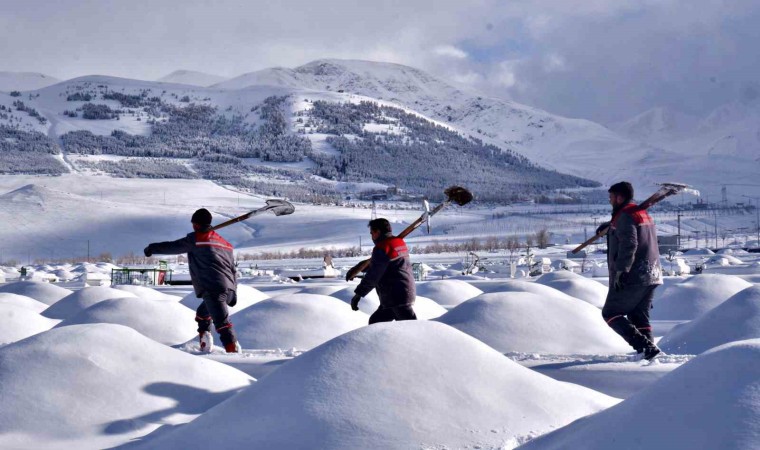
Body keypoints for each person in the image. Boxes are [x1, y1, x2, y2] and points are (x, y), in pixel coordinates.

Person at [144, 208, 241, 353]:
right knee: (203, 314)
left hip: (213, 288)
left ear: (195, 224)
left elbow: (172, 246)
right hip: (229, 288)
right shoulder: (225, 244)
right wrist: (233, 291)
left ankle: (235, 355)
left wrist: (152, 248)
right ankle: (205, 343)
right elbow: (232, 269)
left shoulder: (196, 239)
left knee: (222, 324)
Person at [601, 182, 663, 360]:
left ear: (620, 197)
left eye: (611, 197)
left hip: (633, 275)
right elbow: (632, 232)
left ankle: (645, 348)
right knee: (638, 316)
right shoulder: (639, 213)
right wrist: (611, 228)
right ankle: (651, 354)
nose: (610, 200)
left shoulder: (625, 216)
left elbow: (630, 244)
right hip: (652, 273)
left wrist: (621, 270)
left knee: (610, 313)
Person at [351, 218, 417, 324]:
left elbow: (374, 275)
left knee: (413, 328)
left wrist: (358, 294)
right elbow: (387, 266)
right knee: (375, 323)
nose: (371, 237)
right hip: (402, 293)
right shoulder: (398, 242)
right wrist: (361, 267)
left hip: (396, 297)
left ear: (378, 232)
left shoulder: (382, 248)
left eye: (372, 233)